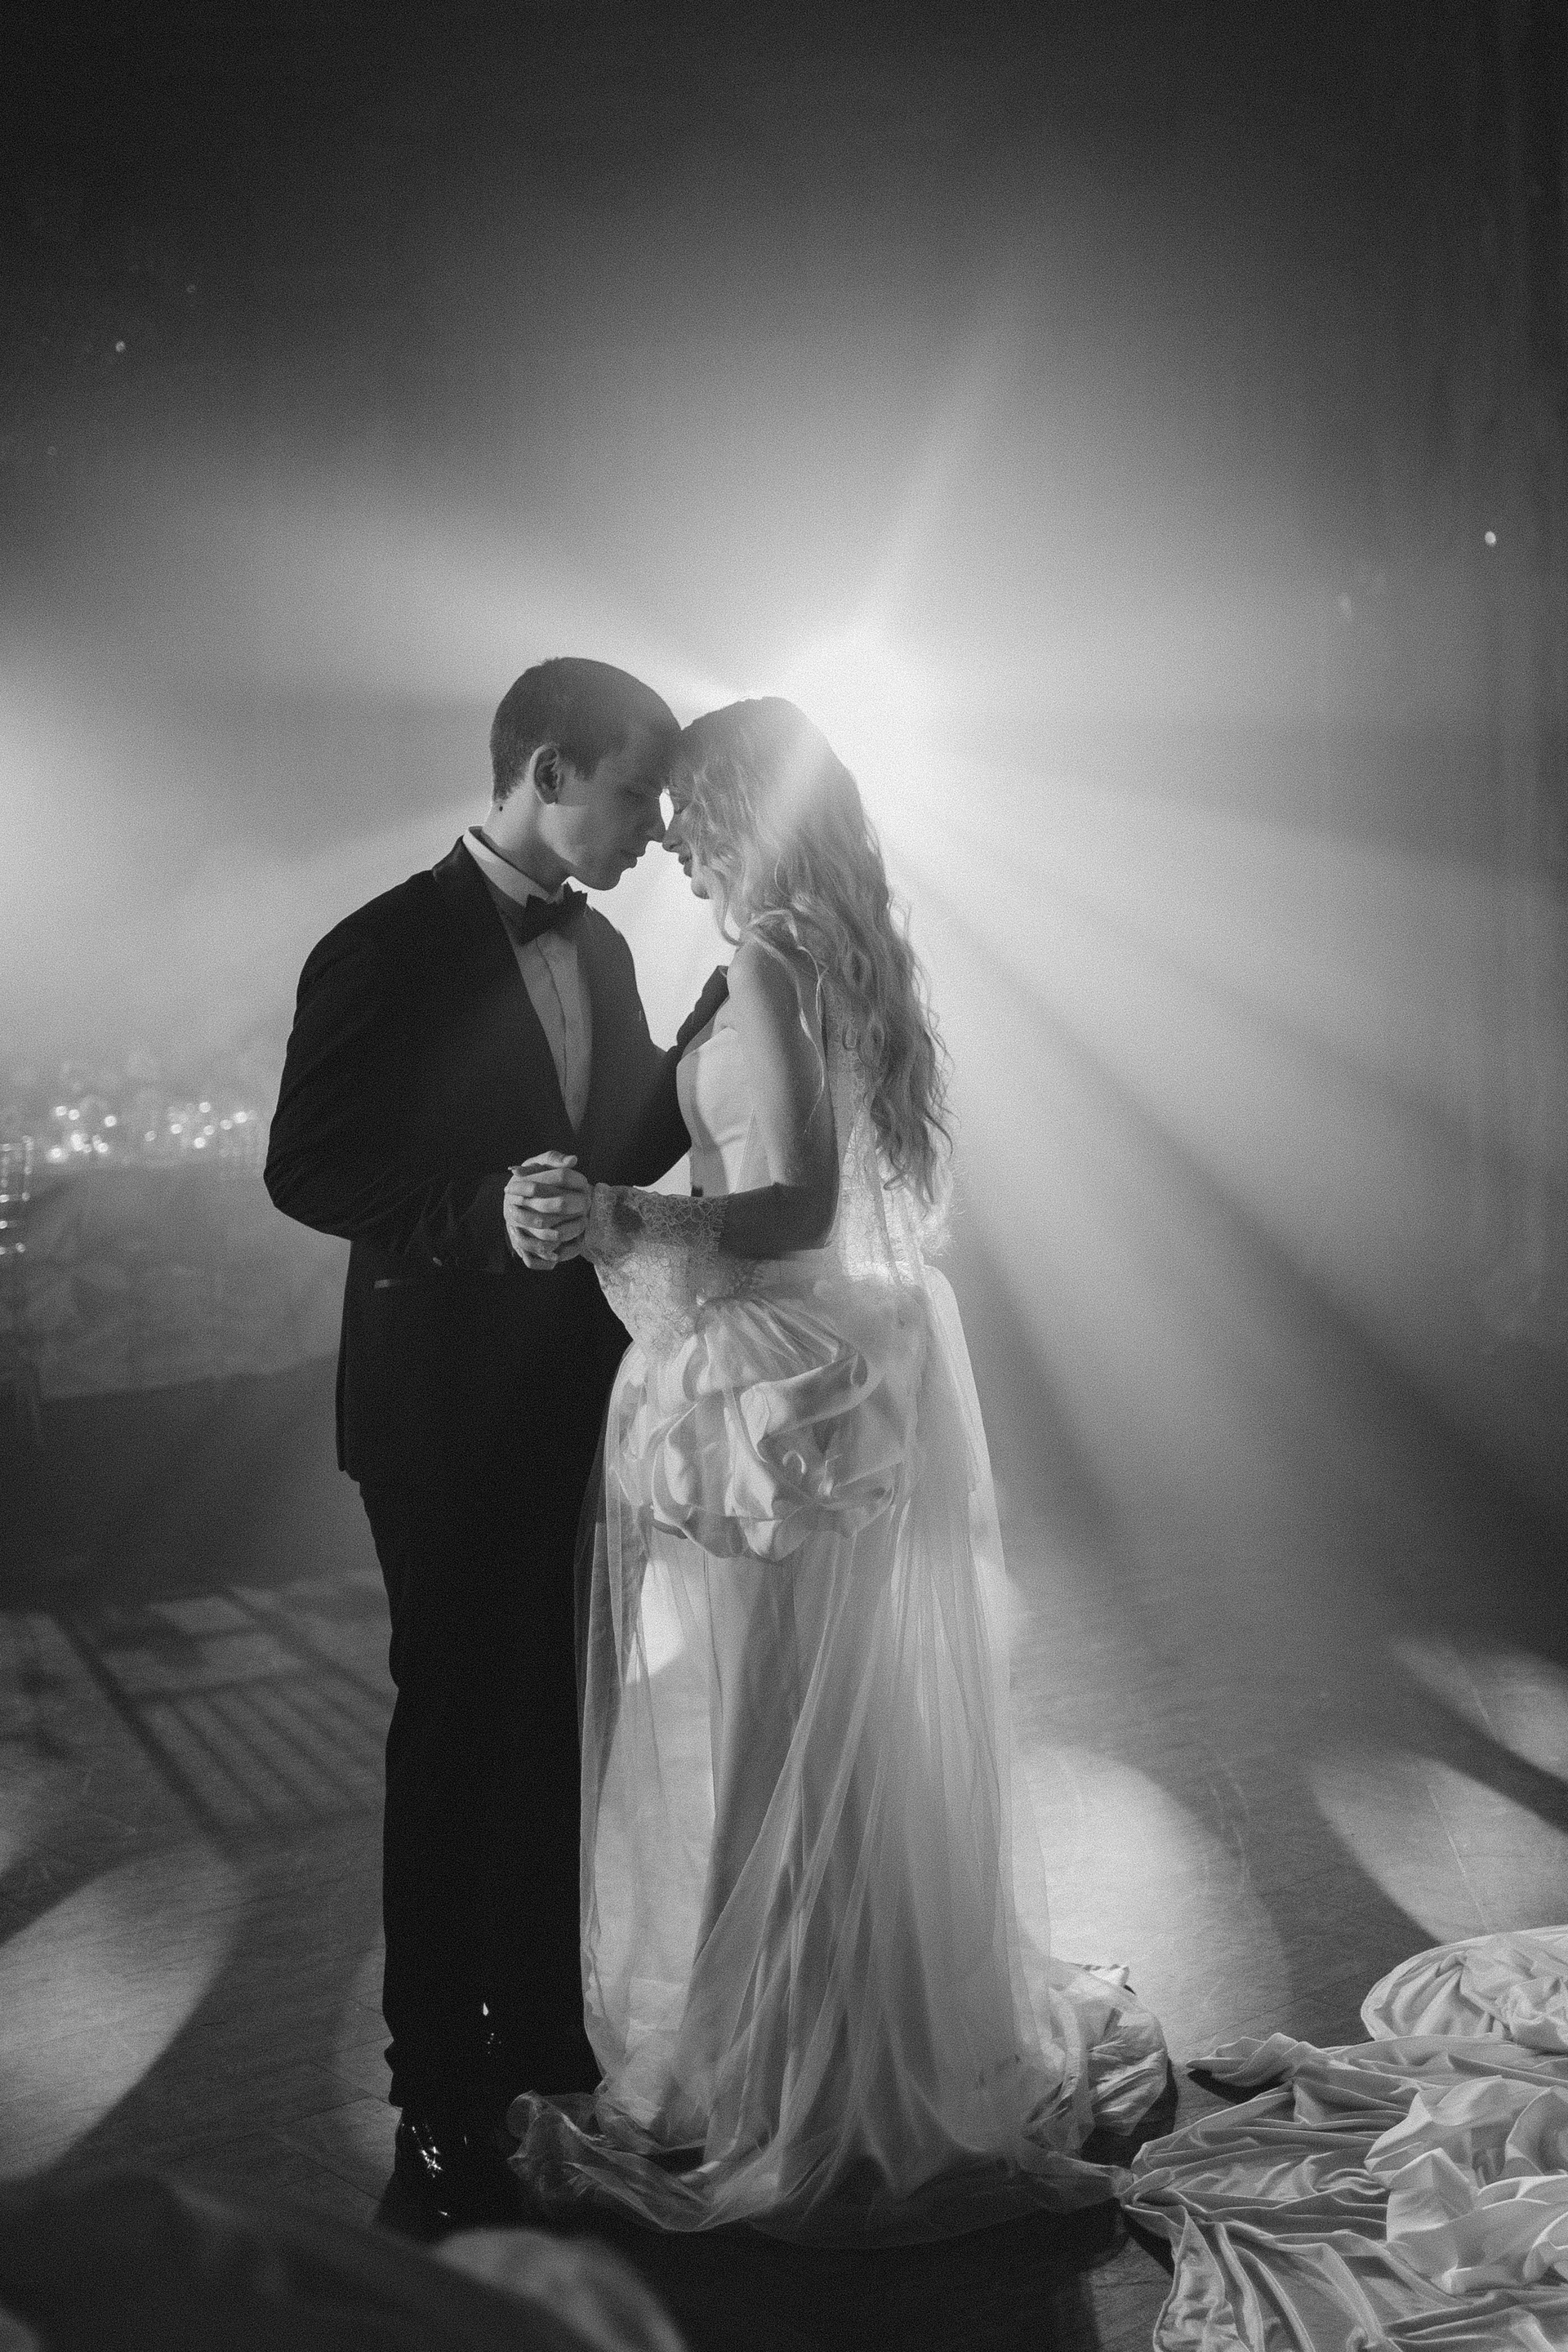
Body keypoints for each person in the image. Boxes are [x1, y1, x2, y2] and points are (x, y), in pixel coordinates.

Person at [507, 697, 1168, 2242]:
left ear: (744, 814)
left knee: (790, 1725)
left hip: (791, 1382)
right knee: (834, 1726)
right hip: (839, 1362)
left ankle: (807, 2067)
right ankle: (855, 2037)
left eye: (688, 815)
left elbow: (797, 1206)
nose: (670, 842)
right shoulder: (836, 954)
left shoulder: (768, 958)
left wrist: (629, 1215)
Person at [263, 657, 728, 2234]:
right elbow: (305, 1166)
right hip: (440, 1412)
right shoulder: (381, 944)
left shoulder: (600, 945)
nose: (653, 827)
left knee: (556, 1730)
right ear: (547, 769)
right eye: (634, 792)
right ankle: (435, 2109)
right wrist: (477, 1213)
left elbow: (622, 1149)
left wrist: (721, 1035)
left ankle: (544, 2057)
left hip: (579, 1396)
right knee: (457, 1742)